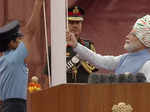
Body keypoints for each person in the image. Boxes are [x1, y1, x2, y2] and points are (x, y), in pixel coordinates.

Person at [66, 15, 150, 82]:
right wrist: (76, 45)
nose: (127, 36)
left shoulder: (148, 64)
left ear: (144, 39)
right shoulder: (124, 58)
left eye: (133, 34)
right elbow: (100, 60)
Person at [0, 0, 43, 112]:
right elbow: (30, 32)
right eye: (18, 39)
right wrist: (38, 4)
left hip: (5, 106)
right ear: (11, 43)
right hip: (15, 107)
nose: (21, 42)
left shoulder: (3, 61)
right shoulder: (15, 59)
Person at [44, 6, 98, 83]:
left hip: (85, 92)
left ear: (81, 24)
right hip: (62, 92)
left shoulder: (88, 46)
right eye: (71, 22)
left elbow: (94, 74)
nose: (75, 26)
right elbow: (48, 78)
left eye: (77, 23)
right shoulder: (55, 48)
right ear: (66, 24)